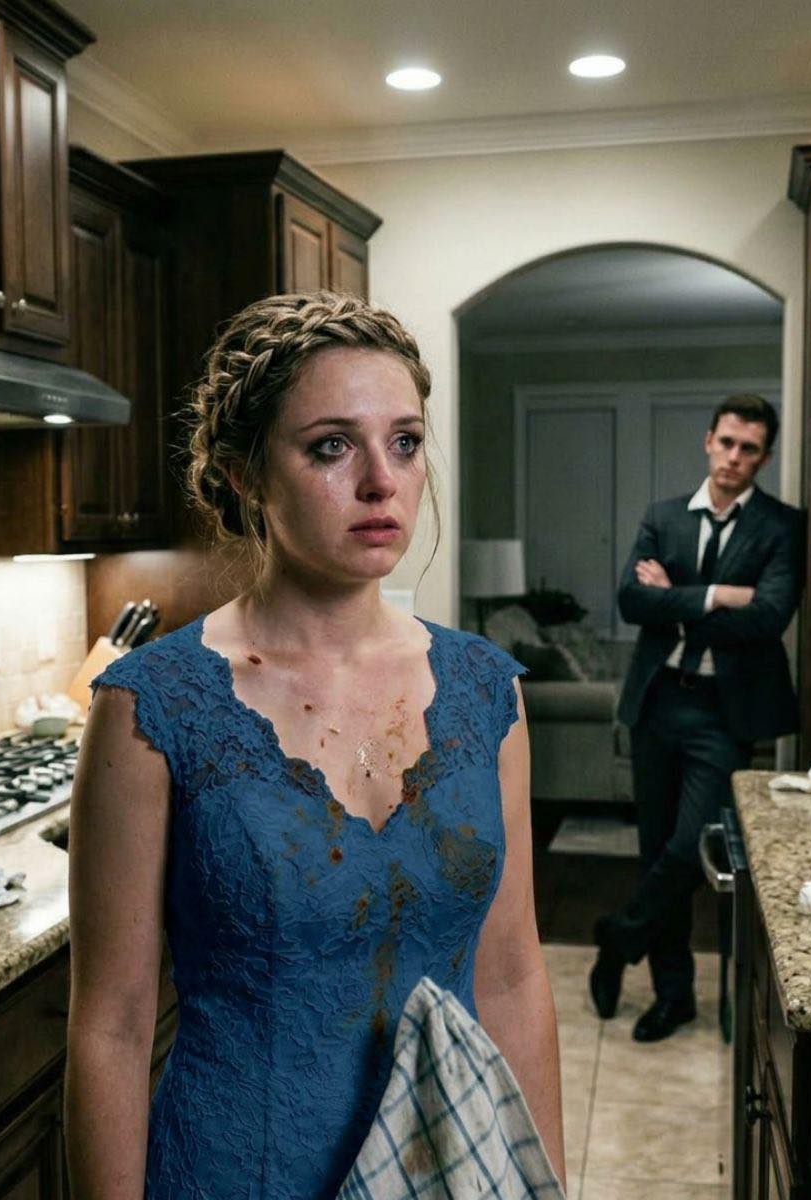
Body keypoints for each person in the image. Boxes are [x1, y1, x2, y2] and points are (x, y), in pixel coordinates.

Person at [63, 291, 566, 1199]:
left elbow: (513, 977)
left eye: (404, 442)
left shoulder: (488, 692)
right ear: (244, 476)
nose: (382, 481)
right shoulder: (151, 707)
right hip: (234, 1171)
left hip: (445, 1175)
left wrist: (544, 1187)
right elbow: (113, 1025)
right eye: (332, 446)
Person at [589, 393, 803, 1042]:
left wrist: (676, 602)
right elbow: (632, 601)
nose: (734, 457)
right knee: (657, 849)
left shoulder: (782, 526)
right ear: (709, 440)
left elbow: (768, 616)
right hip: (658, 701)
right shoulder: (663, 517)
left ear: (764, 458)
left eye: (749, 449)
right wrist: (716, 595)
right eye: (727, 442)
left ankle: (618, 938)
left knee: (690, 848)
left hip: (722, 712)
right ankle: (673, 996)